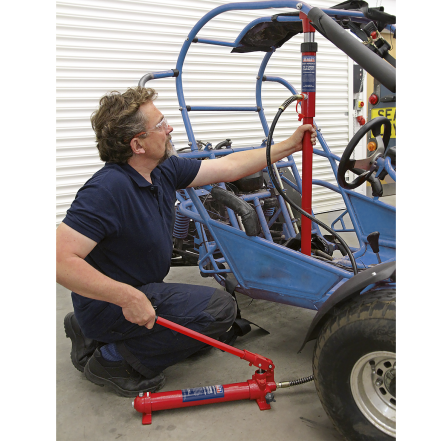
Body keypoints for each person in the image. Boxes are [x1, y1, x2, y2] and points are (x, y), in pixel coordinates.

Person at [56, 86, 317, 397]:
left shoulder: (162, 169)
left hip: (138, 292)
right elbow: (60, 258)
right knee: (219, 311)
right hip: (117, 303)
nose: (170, 128)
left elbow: (229, 166)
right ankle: (111, 361)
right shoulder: (107, 190)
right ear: (137, 144)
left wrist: (288, 146)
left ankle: (88, 331)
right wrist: (127, 298)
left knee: (210, 318)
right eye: (161, 124)